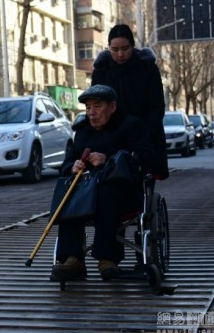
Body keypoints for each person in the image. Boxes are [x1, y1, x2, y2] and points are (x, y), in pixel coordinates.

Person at [51, 85, 153, 282]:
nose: (91, 113)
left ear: (112, 107)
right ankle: (73, 259)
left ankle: (107, 260)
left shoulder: (131, 126)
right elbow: (67, 163)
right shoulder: (82, 132)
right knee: (69, 194)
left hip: (123, 191)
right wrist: (73, 166)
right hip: (86, 192)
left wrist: (109, 159)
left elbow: (145, 157)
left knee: (106, 193)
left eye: (97, 106)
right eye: (88, 108)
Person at [91, 24, 169, 180]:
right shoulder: (101, 71)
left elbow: (157, 106)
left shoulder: (147, 68)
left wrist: (146, 133)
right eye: (115, 50)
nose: (120, 54)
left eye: (125, 48)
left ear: (133, 46)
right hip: (111, 136)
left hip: (143, 134)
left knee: (140, 176)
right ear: (109, 48)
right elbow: (96, 104)